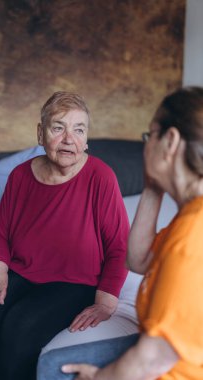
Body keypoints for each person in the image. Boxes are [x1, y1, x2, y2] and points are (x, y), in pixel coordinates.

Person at [0, 91, 129, 380]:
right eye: (58, 127)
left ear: (86, 139)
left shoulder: (101, 177)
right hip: (20, 272)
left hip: (74, 282)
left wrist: (105, 302)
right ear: (41, 133)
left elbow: (120, 246)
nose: (68, 139)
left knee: (19, 331)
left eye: (79, 130)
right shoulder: (21, 175)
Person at [37, 86, 203, 380]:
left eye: (149, 136)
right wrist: (152, 186)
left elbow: (152, 359)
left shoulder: (193, 236)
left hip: (171, 369)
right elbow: (138, 260)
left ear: (171, 141)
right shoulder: (188, 217)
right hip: (163, 350)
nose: (145, 146)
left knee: (57, 370)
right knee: (55, 363)